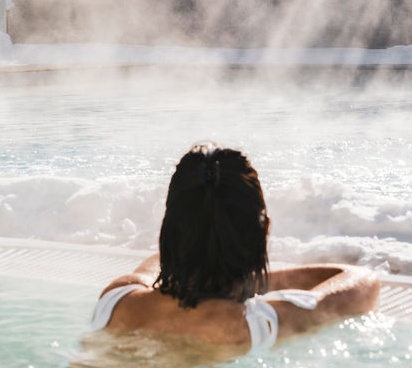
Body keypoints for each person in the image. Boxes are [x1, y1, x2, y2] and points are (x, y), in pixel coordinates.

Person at [90, 143, 379, 352]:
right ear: (263, 231)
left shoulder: (118, 298)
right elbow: (363, 281)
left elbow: (162, 263)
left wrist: (212, 273)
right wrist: (245, 279)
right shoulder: (255, 324)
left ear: (168, 229)